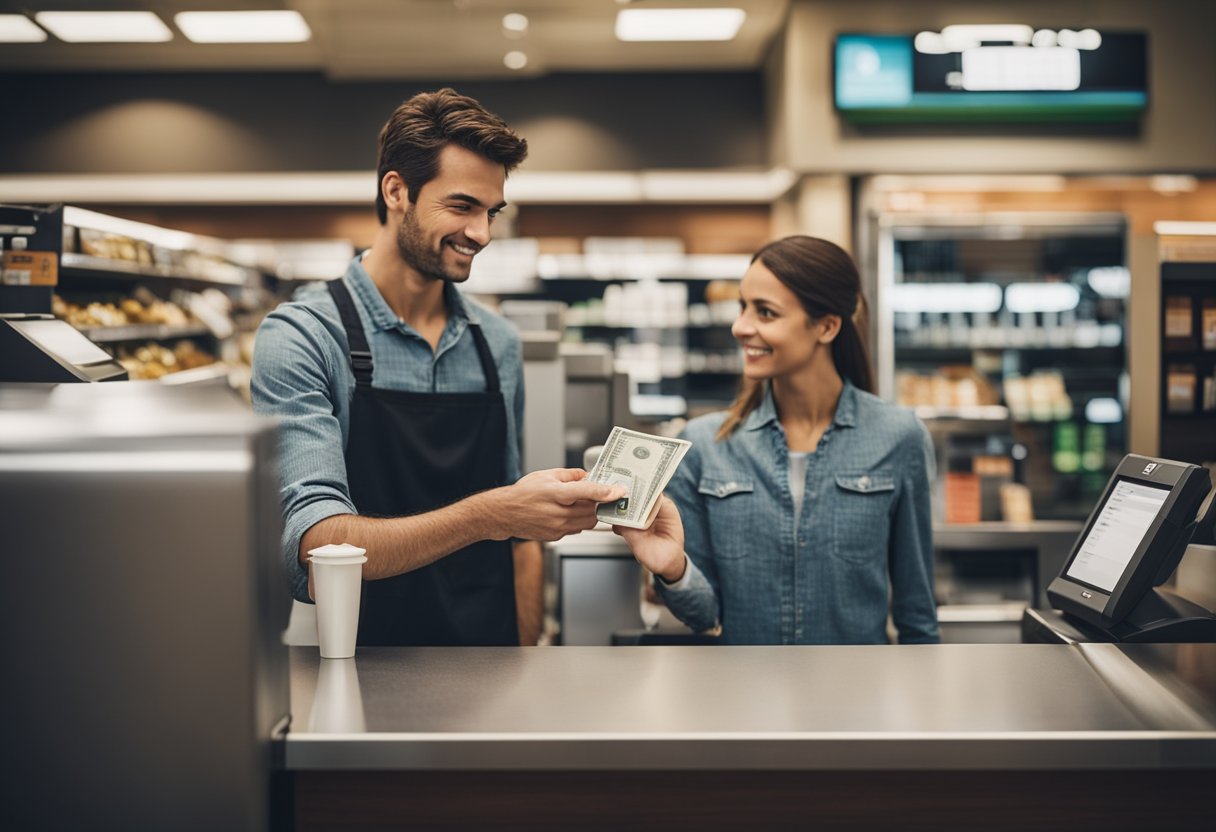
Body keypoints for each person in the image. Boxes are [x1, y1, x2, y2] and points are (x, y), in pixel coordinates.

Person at [251, 88, 623, 647]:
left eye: (492, 211)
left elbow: (521, 540)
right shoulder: (305, 336)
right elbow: (315, 547)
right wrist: (491, 516)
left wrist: (523, 656)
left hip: (489, 661)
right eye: (462, 206)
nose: (483, 233)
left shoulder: (495, 341)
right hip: (355, 661)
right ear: (396, 190)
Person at [616, 236, 939, 645]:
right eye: (742, 307)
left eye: (765, 313)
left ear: (826, 326)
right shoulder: (705, 445)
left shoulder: (898, 438)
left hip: (858, 701)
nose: (740, 326)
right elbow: (705, 614)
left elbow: (918, 616)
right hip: (745, 699)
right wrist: (673, 568)